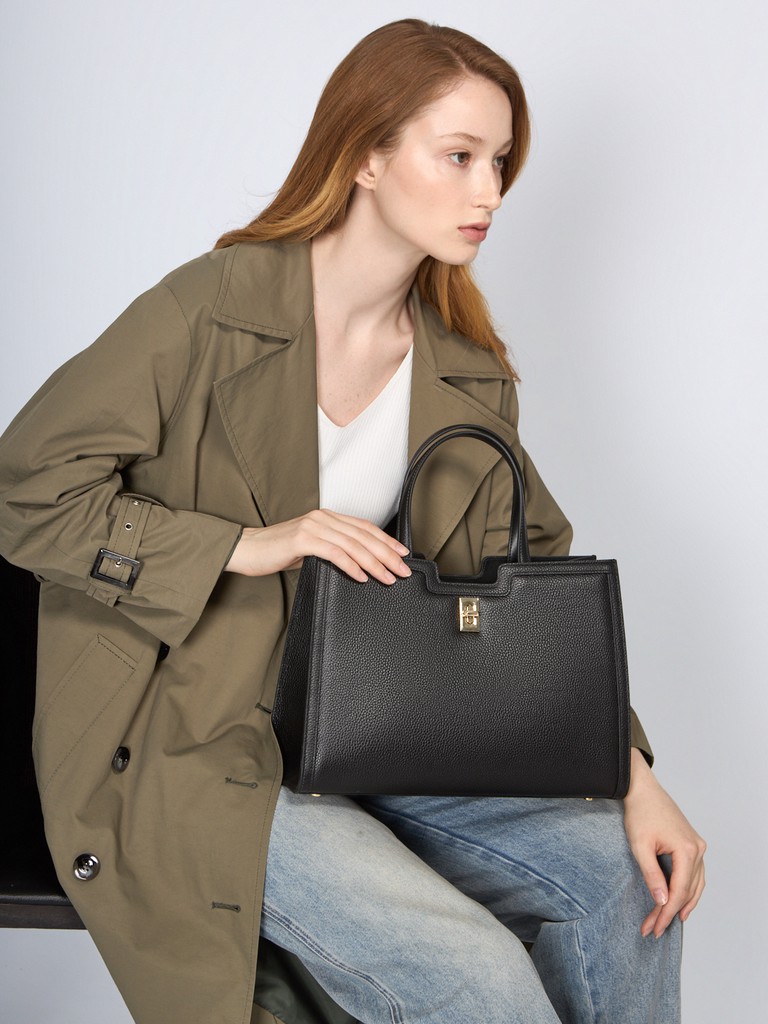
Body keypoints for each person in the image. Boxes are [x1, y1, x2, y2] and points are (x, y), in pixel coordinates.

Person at [0, 18, 705, 1024]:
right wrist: (251, 543)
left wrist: (631, 775)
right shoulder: (210, 311)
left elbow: (535, 578)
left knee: (632, 887)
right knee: (471, 973)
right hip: (199, 742)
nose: (489, 192)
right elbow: (26, 488)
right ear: (367, 155)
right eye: (458, 156)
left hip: (393, 737)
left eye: (500, 162)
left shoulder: (466, 373)